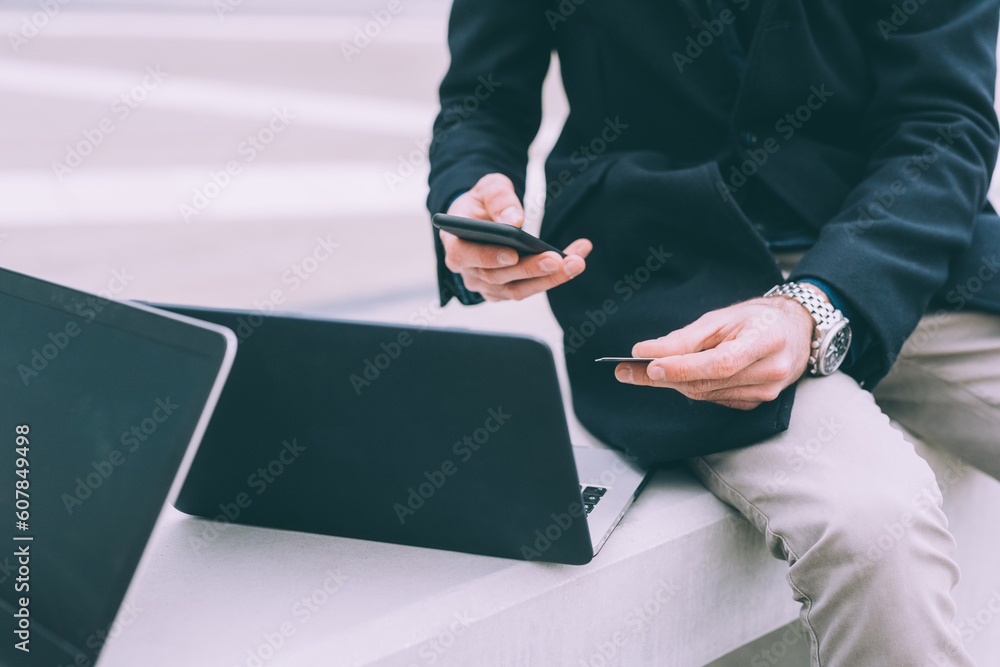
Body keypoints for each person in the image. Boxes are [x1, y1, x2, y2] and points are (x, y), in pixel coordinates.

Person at [426, 1, 1000, 664]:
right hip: (670, 280)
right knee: (873, 524)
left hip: (910, 257)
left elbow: (944, 121)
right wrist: (470, 197)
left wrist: (817, 304)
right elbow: (482, 99)